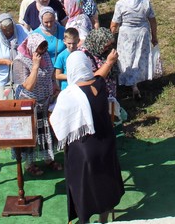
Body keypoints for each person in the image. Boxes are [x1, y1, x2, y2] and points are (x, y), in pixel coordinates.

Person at [50, 51, 125, 223]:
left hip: (82, 152)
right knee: (105, 186)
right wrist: (109, 61)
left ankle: (84, 220)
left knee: (82, 190)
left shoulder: (68, 96)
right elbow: (100, 75)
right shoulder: (100, 85)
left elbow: (58, 123)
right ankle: (103, 220)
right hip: (106, 146)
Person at [12, 34, 62, 175]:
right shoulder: (19, 61)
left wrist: (54, 85)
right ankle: (29, 164)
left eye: (45, 49)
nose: (43, 52)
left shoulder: (44, 55)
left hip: (46, 101)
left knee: (47, 133)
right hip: (29, 104)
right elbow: (28, 86)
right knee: (31, 135)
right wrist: (35, 66)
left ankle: (48, 158)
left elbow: (50, 73)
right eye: (40, 49)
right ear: (32, 47)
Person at [110, 0, 158, 100]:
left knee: (127, 58)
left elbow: (114, 23)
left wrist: (111, 37)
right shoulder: (145, 2)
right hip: (142, 34)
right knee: (139, 57)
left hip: (126, 35)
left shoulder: (121, 4)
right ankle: (137, 81)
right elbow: (152, 20)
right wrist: (154, 36)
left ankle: (129, 81)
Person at [0, 13, 27, 101]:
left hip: (22, 75)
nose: (8, 32)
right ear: (0, 28)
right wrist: (6, 62)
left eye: (10, 29)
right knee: (5, 103)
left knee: (22, 102)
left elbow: (31, 43)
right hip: (4, 79)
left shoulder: (21, 30)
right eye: (5, 30)